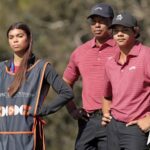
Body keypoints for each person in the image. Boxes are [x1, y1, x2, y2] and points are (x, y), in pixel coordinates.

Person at [0, 22, 74, 150]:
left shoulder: (42, 67)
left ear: (28, 38)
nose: (15, 40)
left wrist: (42, 110)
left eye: (19, 36)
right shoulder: (2, 68)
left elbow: (67, 93)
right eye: (11, 37)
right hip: (3, 138)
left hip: (28, 138)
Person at [63, 3, 116, 150]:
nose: (97, 25)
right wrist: (72, 109)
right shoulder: (80, 52)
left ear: (111, 22)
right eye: (94, 22)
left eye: (102, 21)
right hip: (88, 120)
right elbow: (66, 83)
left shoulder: (121, 49)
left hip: (113, 119)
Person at [102, 12, 150, 150]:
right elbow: (106, 95)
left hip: (136, 129)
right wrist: (106, 113)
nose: (120, 34)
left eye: (125, 30)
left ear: (135, 32)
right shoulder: (110, 62)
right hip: (113, 128)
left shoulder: (146, 56)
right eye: (116, 31)